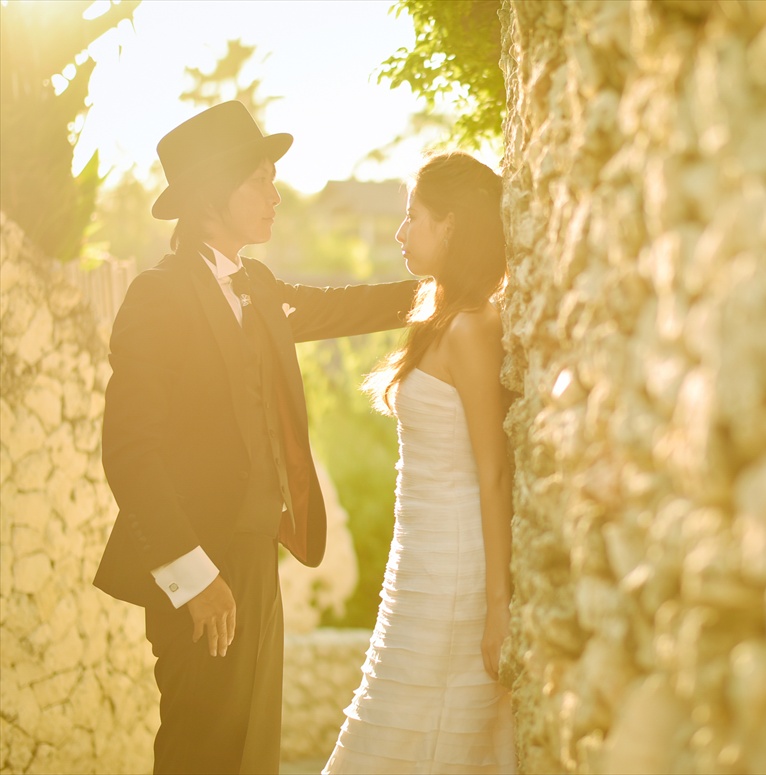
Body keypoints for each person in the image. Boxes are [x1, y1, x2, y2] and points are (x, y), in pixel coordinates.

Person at [92, 100, 418, 774]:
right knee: (200, 749)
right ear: (213, 194)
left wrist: (443, 289)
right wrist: (193, 575)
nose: (275, 196)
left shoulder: (258, 285)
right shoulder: (158, 297)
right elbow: (130, 452)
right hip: (198, 567)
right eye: (259, 181)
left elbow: (339, 307)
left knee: (252, 753)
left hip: (257, 553)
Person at [322, 152, 516, 774]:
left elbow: (494, 472)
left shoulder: (473, 327)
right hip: (418, 561)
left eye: (413, 217)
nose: (402, 232)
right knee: (392, 721)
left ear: (451, 227)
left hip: (457, 568)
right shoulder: (438, 319)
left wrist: (497, 606)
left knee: (425, 729)